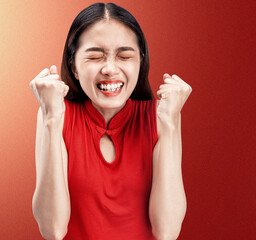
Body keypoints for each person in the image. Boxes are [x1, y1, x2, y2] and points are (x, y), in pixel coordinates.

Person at [29, 3, 191, 240]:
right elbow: (53, 230)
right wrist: (51, 116)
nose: (110, 69)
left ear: (141, 61)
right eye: (95, 56)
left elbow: (167, 232)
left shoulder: (161, 116)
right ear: (73, 65)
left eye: (124, 56)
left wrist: (168, 121)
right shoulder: (56, 115)